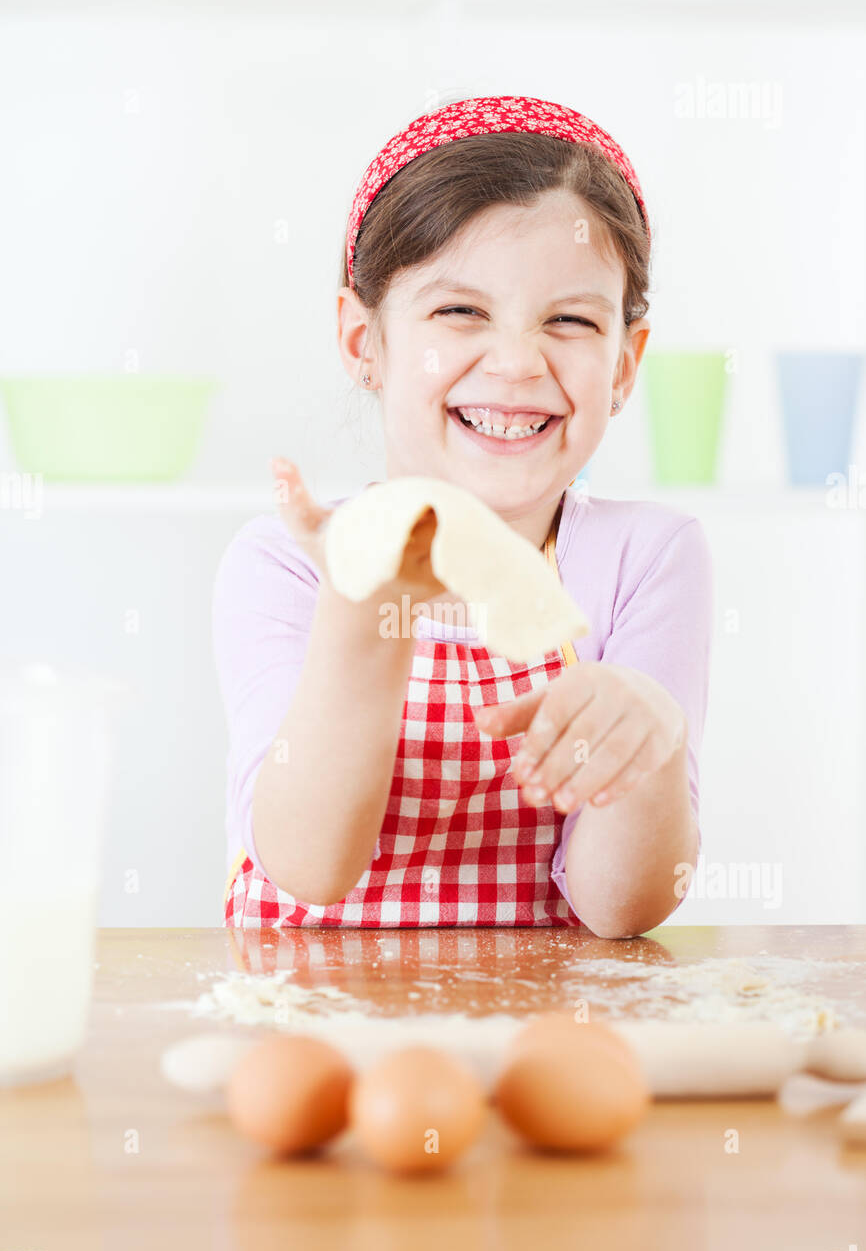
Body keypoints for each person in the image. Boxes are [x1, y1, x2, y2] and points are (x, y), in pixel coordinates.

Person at [213, 94, 713, 935]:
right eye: (459, 311)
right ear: (362, 340)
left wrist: (649, 742)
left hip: (549, 1034)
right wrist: (363, 604)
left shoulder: (649, 557)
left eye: (570, 320)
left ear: (626, 364)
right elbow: (308, 866)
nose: (518, 362)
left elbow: (621, 907)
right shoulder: (287, 564)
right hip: (317, 1029)